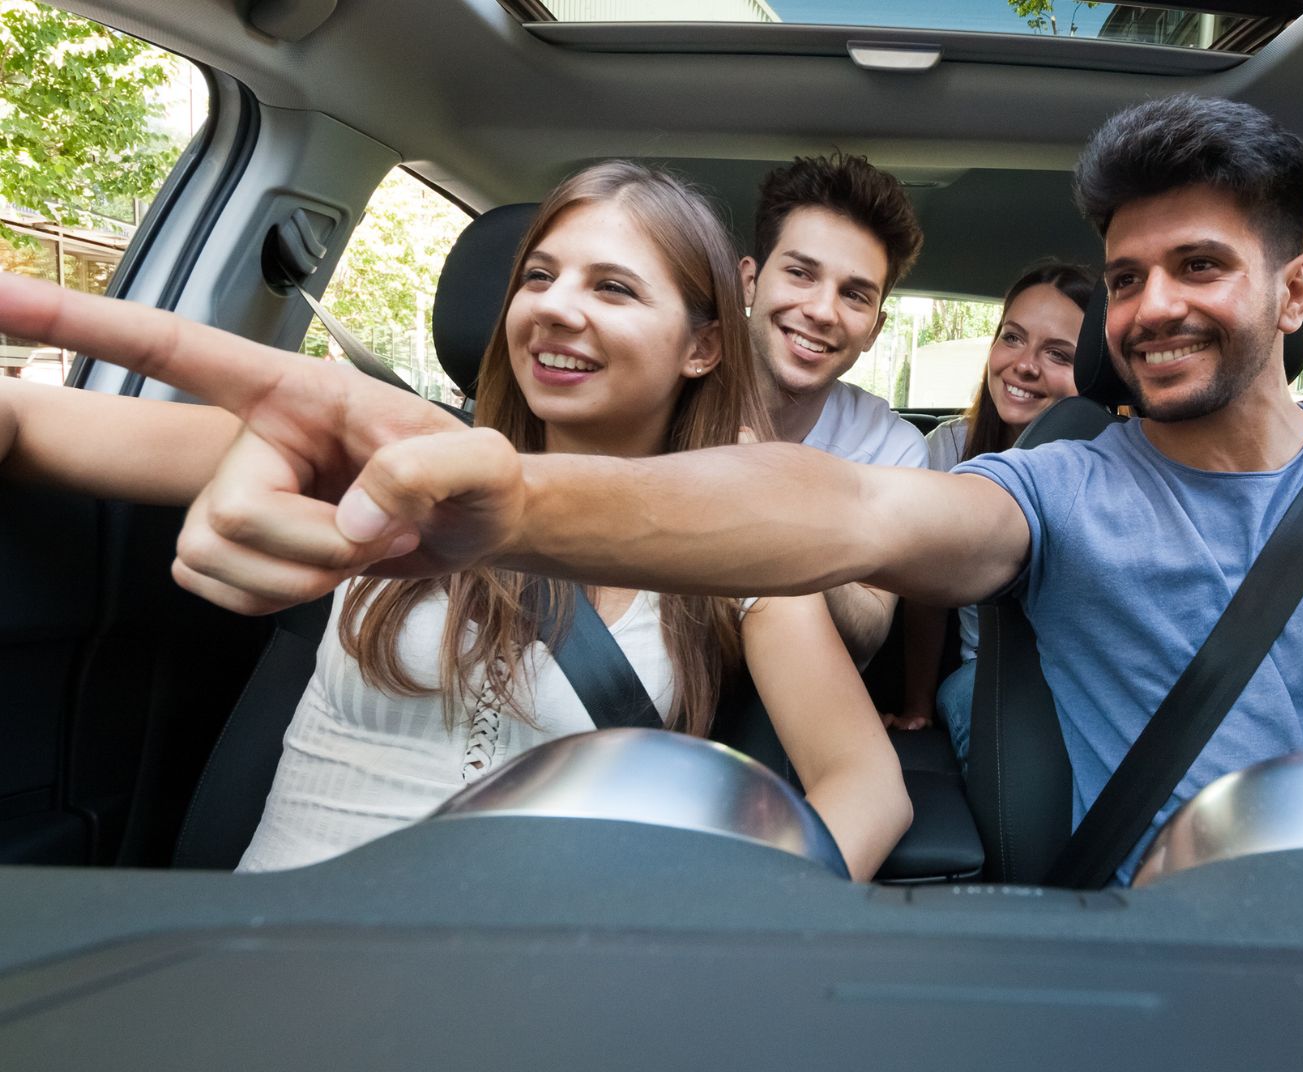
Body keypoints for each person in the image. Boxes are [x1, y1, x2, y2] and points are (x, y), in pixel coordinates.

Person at [8, 97, 1303, 886]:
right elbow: (845, 523)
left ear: (1292, 286)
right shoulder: (1055, 492)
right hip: (1143, 921)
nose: (1156, 306)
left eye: (1201, 267)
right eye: (1132, 273)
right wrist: (498, 505)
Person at [0, 162, 912, 880]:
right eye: (541, 277)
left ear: (702, 345)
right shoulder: (381, 458)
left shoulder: (731, 551)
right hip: (266, 959)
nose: (556, 304)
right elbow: (32, 425)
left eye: (614, 289)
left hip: (520, 991)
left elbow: (867, 787)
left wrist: (714, 941)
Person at [882, 261, 1095, 773]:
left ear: (1096, 369)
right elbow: (926, 592)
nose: (1024, 365)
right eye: (1013, 338)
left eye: (1058, 354)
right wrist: (917, 703)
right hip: (986, 675)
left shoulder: (1117, 463)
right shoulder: (950, 447)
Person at [738, 153, 930, 665]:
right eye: (801, 273)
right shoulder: (669, 395)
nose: (823, 311)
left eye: (855, 295)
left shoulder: (892, 448)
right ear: (749, 282)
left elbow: (867, 631)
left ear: (875, 329)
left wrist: (779, 505)